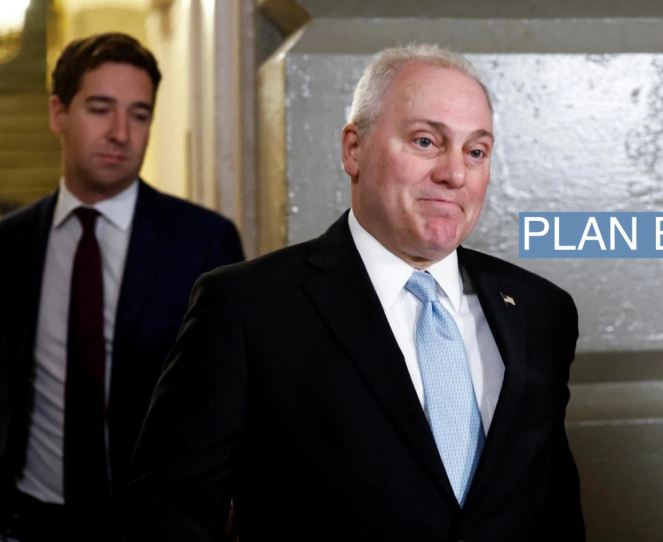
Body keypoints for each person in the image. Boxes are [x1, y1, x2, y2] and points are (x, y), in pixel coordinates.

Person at [122, 44, 584, 541]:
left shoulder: (542, 311)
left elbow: (554, 511)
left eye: (476, 151)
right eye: (426, 141)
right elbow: (167, 517)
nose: (455, 173)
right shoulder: (247, 309)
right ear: (354, 149)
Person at [0, 33, 244, 541]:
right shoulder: (11, 243)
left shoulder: (204, 241)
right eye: (99, 108)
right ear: (56, 113)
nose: (120, 132)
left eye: (139, 113)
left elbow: (230, 400)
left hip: (155, 526)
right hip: (29, 519)